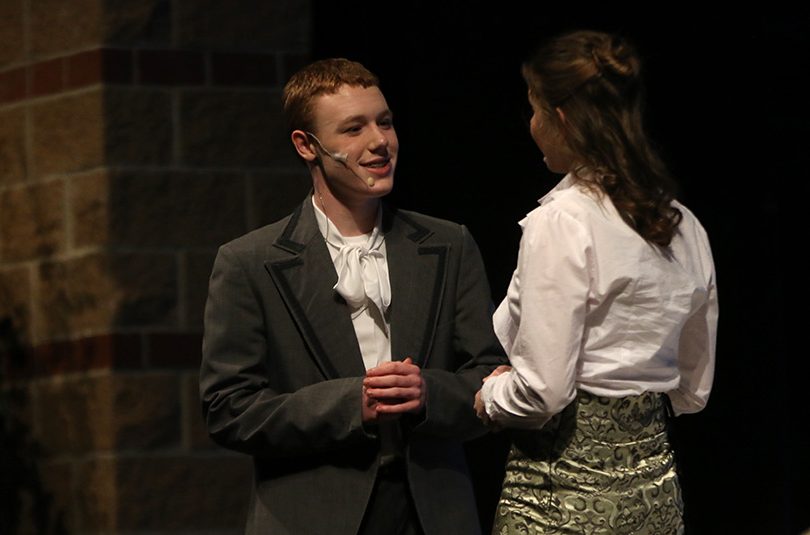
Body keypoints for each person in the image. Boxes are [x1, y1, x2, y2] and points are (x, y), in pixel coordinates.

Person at [200, 58, 507, 535]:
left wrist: (429, 394)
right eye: (352, 128)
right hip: (310, 514)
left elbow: (491, 378)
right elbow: (228, 409)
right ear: (307, 146)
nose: (379, 141)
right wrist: (350, 404)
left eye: (384, 121)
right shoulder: (249, 262)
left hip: (433, 510)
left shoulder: (448, 244)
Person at [474, 30, 718, 534]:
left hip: (558, 499)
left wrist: (491, 397)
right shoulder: (684, 223)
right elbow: (694, 389)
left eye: (535, 111)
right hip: (657, 500)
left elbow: (543, 393)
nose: (533, 126)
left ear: (561, 118)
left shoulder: (562, 223)